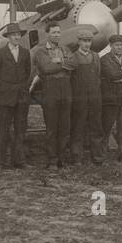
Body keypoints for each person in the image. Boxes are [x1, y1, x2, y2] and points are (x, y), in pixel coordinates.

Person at [0, 22, 33, 168]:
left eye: (18, 34)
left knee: (20, 130)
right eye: (13, 35)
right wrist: (4, 90)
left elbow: (27, 73)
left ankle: (19, 161)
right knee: (2, 131)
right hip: (4, 98)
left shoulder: (26, 53)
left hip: (21, 98)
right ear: (8, 37)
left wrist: (21, 89)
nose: (16, 37)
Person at [31, 23, 75, 168]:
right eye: (54, 32)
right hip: (50, 90)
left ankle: (62, 158)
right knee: (51, 127)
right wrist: (64, 63)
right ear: (47, 34)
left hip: (66, 90)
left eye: (58, 32)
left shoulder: (65, 49)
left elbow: (74, 63)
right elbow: (46, 68)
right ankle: (52, 159)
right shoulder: (40, 51)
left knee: (65, 127)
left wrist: (57, 62)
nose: (57, 35)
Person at [67, 25, 103, 164]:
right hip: (79, 99)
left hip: (94, 98)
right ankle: (76, 157)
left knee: (96, 127)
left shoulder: (96, 56)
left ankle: (97, 157)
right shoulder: (73, 56)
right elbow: (70, 79)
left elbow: (98, 76)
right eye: (84, 41)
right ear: (79, 42)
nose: (87, 44)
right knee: (78, 127)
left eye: (89, 41)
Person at [98, 34, 122, 161]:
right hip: (110, 99)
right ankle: (102, 154)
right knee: (106, 127)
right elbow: (111, 75)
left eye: (121, 45)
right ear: (111, 46)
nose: (120, 47)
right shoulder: (105, 59)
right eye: (117, 45)